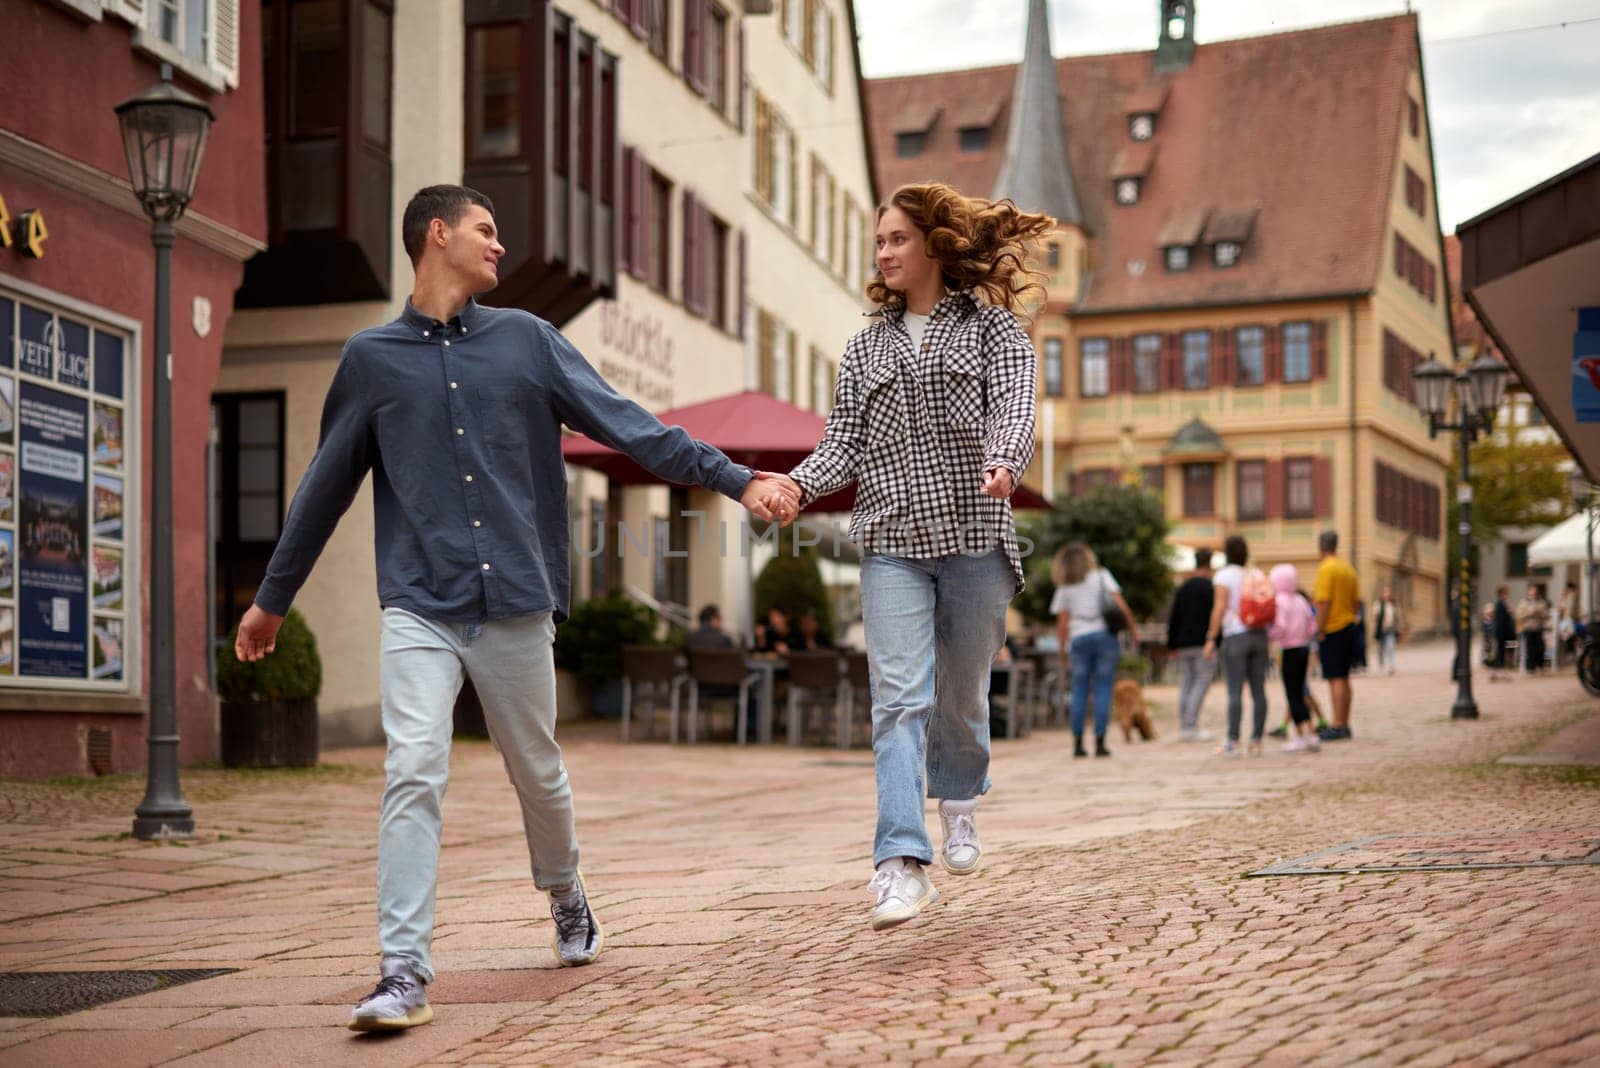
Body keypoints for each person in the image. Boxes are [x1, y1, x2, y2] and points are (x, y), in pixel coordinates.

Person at [233, 185, 799, 1032]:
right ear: (438, 235)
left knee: (537, 772)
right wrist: (271, 600)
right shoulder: (370, 360)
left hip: (516, 602)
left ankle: (565, 890)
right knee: (412, 767)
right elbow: (323, 487)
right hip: (419, 604)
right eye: (485, 231)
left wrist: (736, 478)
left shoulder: (529, 342)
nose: (499, 247)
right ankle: (402, 970)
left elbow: (629, 425)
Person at [774, 181, 1047, 931]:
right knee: (898, 699)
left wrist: (1003, 461)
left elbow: (1015, 408)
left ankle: (958, 800)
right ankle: (901, 862)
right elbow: (844, 447)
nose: (885, 253)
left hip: (973, 538)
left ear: (935, 244)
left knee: (959, 697)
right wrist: (796, 485)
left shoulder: (996, 333)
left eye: (897, 239)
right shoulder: (865, 348)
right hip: (891, 539)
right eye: (879, 242)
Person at [1052, 543, 1137, 759]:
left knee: (1079, 690)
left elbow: (1062, 622)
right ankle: (1100, 742)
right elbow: (1122, 605)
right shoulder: (1101, 576)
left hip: (1078, 639)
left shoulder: (1065, 586)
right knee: (1103, 688)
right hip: (1104, 637)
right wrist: (1134, 631)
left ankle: (1078, 743)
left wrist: (1062, 651)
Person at [1205, 535, 1270, 757]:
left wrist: (1211, 637)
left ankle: (1233, 740)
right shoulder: (1256, 573)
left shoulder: (1224, 576)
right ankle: (1257, 739)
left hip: (1235, 636)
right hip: (1259, 635)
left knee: (1234, 691)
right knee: (1258, 690)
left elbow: (1219, 608)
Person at [1313, 530, 1360, 741]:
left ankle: (1337, 724)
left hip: (1332, 628)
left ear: (1321, 546)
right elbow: (1357, 601)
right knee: (1344, 677)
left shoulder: (1326, 569)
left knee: (1335, 678)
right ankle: (1345, 722)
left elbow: (1322, 601)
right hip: (1349, 626)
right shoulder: (1347, 568)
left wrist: (1319, 629)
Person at [1269, 564, 1321, 753]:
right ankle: (1312, 734)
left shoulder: (1280, 601)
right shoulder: (1300, 599)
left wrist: (1272, 635)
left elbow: (1280, 626)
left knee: (1292, 694)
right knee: (1301, 691)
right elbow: (1312, 626)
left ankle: (1300, 736)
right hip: (1303, 649)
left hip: (1289, 650)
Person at [1166, 547, 1217, 742]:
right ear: (1209, 564)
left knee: (1187, 682)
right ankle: (1190, 725)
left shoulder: (1183, 587)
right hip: (1202, 643)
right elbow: (1215, 615)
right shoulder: (1209, 587)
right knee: (1201, 682)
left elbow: (1174, 617)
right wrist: (1214, 641)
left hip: (1183, 643)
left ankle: (1185, 724)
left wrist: (1171, 644)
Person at [1516, 583, 1551, 673]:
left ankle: (1540, 665)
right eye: (1531, 593)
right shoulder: (1523, 602)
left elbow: (1546, 615)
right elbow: (1519, 615)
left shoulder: (1542, 602)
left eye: (1535, 593)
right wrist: (1529, 613)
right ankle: (1530, 668)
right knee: (1530, 648)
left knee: (1540, 647)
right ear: (1528, 593)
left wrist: (1539, 613)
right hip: (1527, 628)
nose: (1533, 595)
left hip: (1538, 627)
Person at [1371, 584, 1405, 676]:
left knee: (1390, 647)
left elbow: (1398, 617)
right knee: (1381, 649)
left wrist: (1400, 628)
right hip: (1381, 630)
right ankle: (1381, 665)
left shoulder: (1394, 604)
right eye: (1385, 592)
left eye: (1388, 592)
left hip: (1391, 629)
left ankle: (1391, 666)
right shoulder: (1378, 604)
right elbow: (1375, 618)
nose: (1387, 594)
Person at [1486, 585, 1516, 681]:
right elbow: (1502, 620)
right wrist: (1510, 612)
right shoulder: (1501, 603)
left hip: (1501, 632)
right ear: (1503, 593)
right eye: (1506, 592)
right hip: (1501, 632)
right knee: (1499, 652)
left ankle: (1496, 672)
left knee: (1500, 652)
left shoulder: (1501, 603)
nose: (1508, 594)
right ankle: (1497, 672)